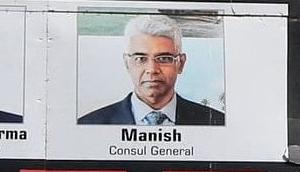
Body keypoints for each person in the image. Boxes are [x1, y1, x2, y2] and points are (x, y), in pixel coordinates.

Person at [76, 15, 224, 125]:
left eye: (164, 58)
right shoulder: (90, 124)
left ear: (181, 63)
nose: (152, 70)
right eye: (140, 58)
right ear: (127, 64)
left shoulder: (216, 122)